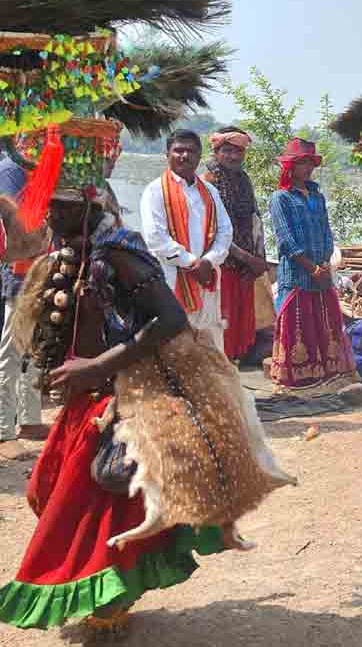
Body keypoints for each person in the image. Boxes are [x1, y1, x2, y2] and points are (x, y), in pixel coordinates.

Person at [0, 167, 292, 636]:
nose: (50, 214)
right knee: (46, 490)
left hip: (121, 395)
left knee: (97, 510)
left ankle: (111, 607)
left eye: (61, 205)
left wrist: (96, 367)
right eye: (48, 204)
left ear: (90, 204)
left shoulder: (119, 252)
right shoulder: (72, 250)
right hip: (87, 398)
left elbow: (171, 320)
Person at [267, 138, 359, 397]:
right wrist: (311, 268)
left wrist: (325, 264)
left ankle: (326, 379)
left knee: (324, 326)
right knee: (296, 329)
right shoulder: (280, 198)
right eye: (302, 163)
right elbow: (285, 240)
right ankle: (296, 383)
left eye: (310, 163)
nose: (308, 168)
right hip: (297, 275)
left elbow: (327, 233)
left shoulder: (317, 197)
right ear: (290, 167)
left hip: (321, 273)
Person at [139, 130, 233, 350]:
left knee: (208, 343)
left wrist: (209, 261)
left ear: (199, 156)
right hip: (171, 278)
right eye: (178, 150)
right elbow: (155, 238)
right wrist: (192, 263)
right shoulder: (155, 191)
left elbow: (225, 232)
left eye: (190, 151)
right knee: (173, 347)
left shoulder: (210, 191)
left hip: (206, 278)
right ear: (167, 155)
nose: (184, 155)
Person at [201, 127, 271, 361]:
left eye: (238, 151)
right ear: (216, 152)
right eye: (227, 151)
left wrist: (258, 258)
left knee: (240, 327)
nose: (233, 156)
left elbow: (255, 220)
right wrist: (248, 259)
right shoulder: (208, 182)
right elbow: (213, 231)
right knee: (222, 325)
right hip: (221, 266)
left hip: (245, 267)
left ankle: (235, 368)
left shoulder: (243, 179)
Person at [0, 155, 48, 458]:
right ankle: (3, 430)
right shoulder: (11, 170)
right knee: (11, 352)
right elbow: (17, 228)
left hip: (43, 269)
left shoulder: (43, 168)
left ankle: (30, 419)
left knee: (38, 347)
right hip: (19, 272)